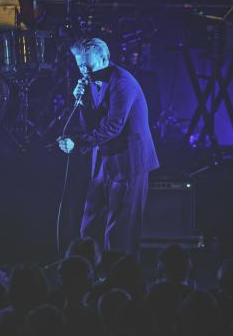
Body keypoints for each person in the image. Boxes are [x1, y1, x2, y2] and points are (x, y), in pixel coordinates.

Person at [57, 38, 159, 256]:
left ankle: (121, 273)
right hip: (104, 159)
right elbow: (91, 124)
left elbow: (114, 126)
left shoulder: (122, 83)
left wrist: (78, 142)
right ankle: (90, 268)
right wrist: (81, 101)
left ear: (104, 58)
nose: (83, 70)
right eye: (80, 65)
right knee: (89, 225)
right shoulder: (92, 80)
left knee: (120, 232)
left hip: (128, 161)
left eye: (88, 65)